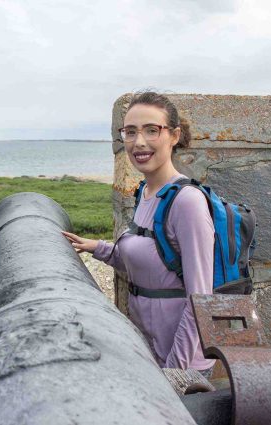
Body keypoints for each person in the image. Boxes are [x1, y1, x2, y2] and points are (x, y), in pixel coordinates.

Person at [63, 91, 215, 376]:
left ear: (174, 135)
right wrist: (97, 247)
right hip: (148, 353)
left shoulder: (187, 202)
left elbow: (200, 299)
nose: (139, 142)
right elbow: (149, 265)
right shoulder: (144, 193)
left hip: (181, 362)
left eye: (151, 130)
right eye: (130, 132)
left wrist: (175, 372)